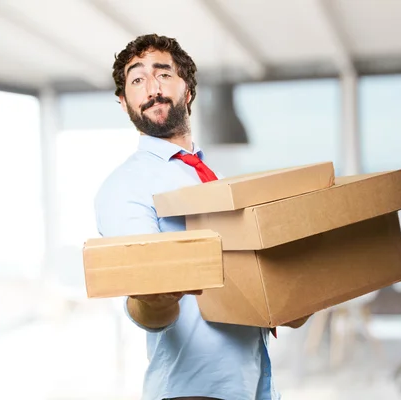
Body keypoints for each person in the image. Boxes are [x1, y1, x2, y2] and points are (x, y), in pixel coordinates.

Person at [95, 34, 310, 400]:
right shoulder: (125, 187)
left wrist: (294, 294)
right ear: (123, 101)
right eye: (137, 79)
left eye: (163, 74)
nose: (151, 87)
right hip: (192, 389)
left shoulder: (216, 179)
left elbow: (254, 278)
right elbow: (147, 303)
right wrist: (154, 298)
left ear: (188, 91)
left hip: (253, 382)